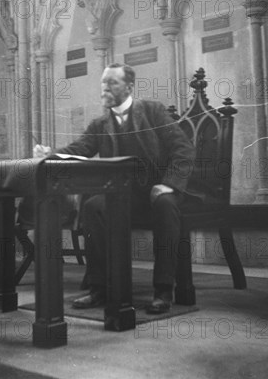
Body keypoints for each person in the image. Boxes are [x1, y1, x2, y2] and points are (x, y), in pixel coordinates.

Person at [34, 63, 195, 314]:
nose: (105, 88)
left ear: (129, 86)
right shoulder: (100, 124)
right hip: (123, 196)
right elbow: (79, 150)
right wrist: (50, 154)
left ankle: (164, 291)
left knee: (165, 205)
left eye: (112, 83)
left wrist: (169, 185)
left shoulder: (153, 112)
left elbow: (183, 149)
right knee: (93, 206)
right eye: (103, 83)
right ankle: (99, 288)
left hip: (156, 192)